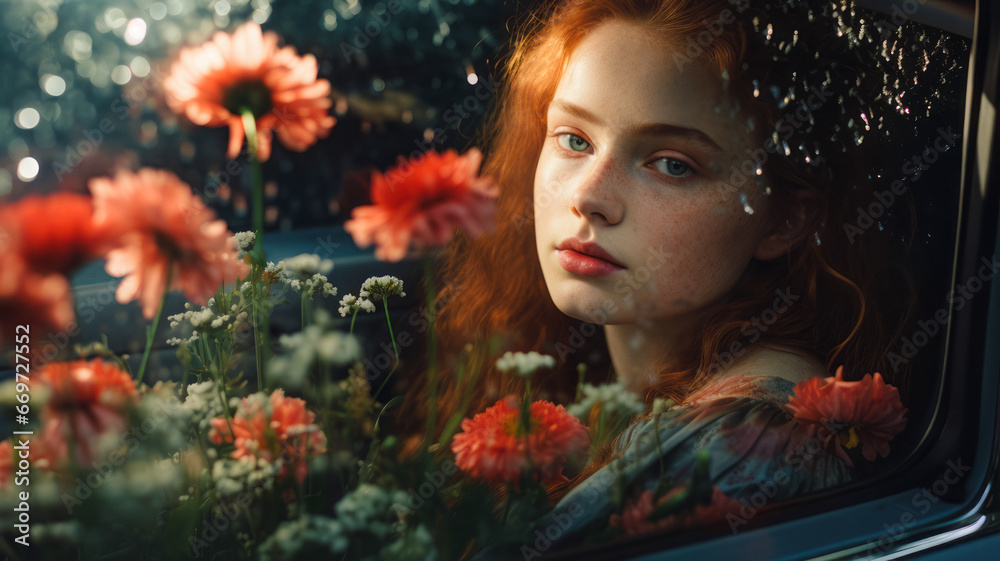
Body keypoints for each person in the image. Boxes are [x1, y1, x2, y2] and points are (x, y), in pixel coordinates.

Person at [396, 0, 944, 554]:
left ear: (784, 220)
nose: (588, 198)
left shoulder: (748, 449)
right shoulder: (590, 372)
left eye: (673, 164)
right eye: (574, 139)